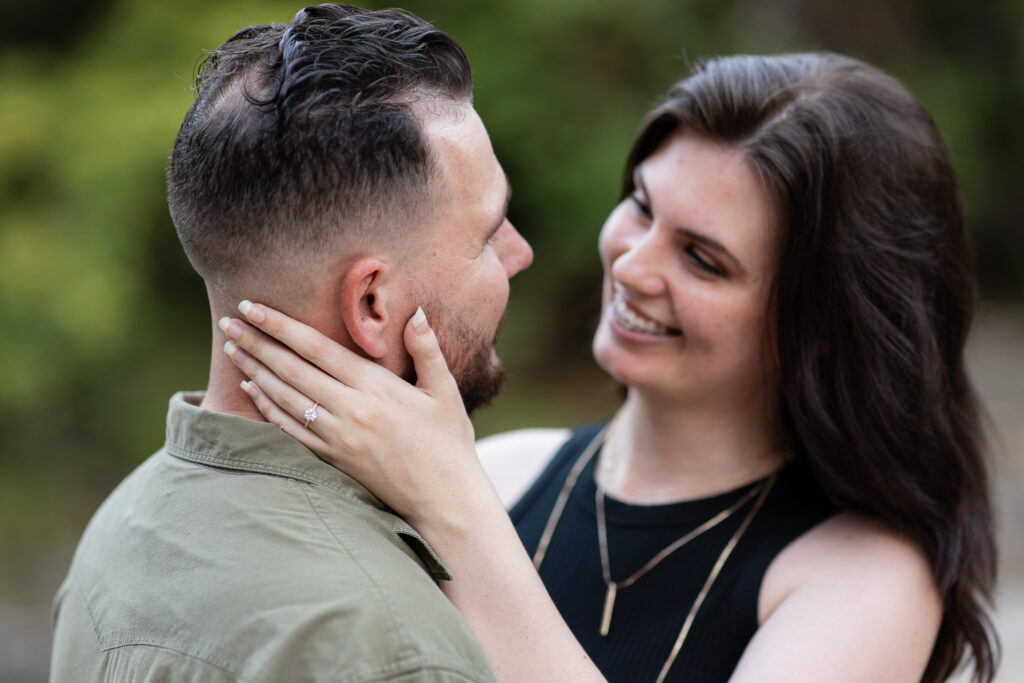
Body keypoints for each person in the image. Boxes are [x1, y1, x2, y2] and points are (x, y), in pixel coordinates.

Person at [219, 52, 1000, 682]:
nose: (632, 265)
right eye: (640, 204)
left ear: (820, 323)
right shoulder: (500, 472)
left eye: (703, 258)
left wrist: (450, 506)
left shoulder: (865, 578)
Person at [50, 4, 536, 682]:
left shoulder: (120, 525)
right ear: (371, 304)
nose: (520, 253)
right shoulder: (393, 647)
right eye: (487, 234)